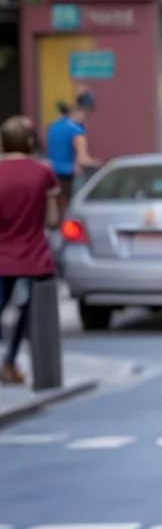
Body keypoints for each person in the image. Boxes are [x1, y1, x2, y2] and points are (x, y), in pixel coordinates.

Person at [0, 114, 60, 386]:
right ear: (30, 140)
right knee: (28, 314)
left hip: (1, 257)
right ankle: (10, 362)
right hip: (33, 257)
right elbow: (52, 219)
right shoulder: (43, 172)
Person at [45, 90, 99, 207]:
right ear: (88, 110)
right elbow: (83, 160)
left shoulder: (54, 126)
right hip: (69, 179)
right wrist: (101, 165)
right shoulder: (77, 130)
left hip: (52, 177)